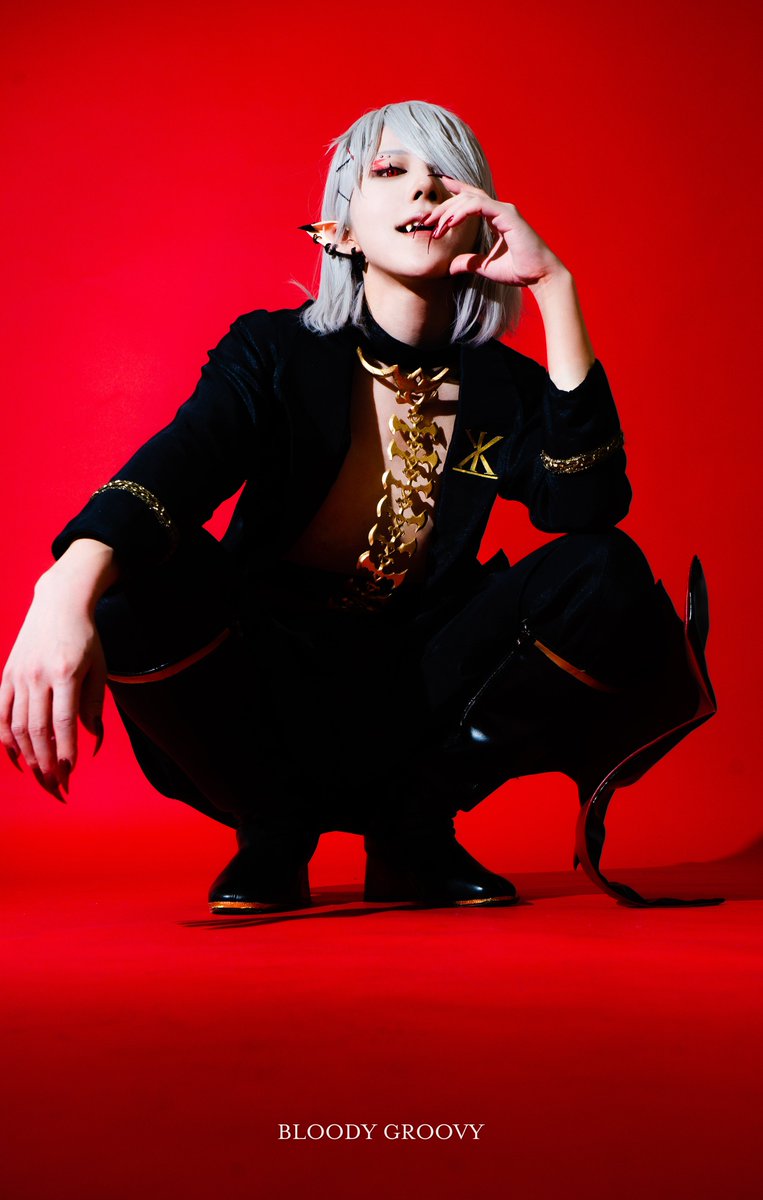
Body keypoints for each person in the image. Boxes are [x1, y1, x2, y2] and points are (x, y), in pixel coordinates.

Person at [0, 101, 718, 914]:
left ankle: (413, 834)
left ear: (478, 221)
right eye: (389, 171)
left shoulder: (501, 387)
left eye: (446, 177)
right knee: (131, 574)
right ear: (336, 232)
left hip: (420, 692)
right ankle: (272, 833)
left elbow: (584, 506)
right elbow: (177, 470)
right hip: (265, 684)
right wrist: (60, 593)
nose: (423, 190)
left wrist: (555, 289)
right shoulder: (273, 352)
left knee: (603, 568)